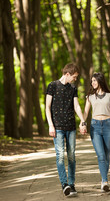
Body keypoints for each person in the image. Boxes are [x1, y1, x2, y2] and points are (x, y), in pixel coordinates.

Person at [46, 63, 86, 197]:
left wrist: (82, 120)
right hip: (57, 127)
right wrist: (50, 125)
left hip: (71, 127)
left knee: (72, 157)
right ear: (67, 74)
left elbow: (77, 106)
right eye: (74, 77)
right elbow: (47, 107)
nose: (75, 79)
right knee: (60, 156)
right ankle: (64, 184)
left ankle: (72, 184)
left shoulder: (73, 88)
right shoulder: (52, 86)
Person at [82, 72, 110, 192]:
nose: (92, 83)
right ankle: (105, 181)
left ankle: (104, 179)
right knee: (101, 155)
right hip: (95, 127)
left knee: (107, 155)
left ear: (100, 81)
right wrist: (82, 123)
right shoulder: (90, 97)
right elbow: (85, 112)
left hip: (108, 126)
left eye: (94, 80)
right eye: (91, 81)